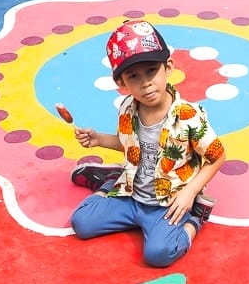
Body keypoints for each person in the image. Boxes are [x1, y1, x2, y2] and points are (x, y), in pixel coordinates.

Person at [69, 20, 226, 267]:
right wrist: (99, 139)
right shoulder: (127, 109)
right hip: (131, 195)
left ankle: (197, 217)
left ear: (168, 67)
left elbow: (217, 157)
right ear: (121, 84)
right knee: (82, 223)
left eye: (152, 71)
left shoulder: (188, 116)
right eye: (134, 76)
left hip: (169, 201)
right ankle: (111, 180)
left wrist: (190, 192)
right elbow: (130, 145)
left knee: (159, 254)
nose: (145, 83)